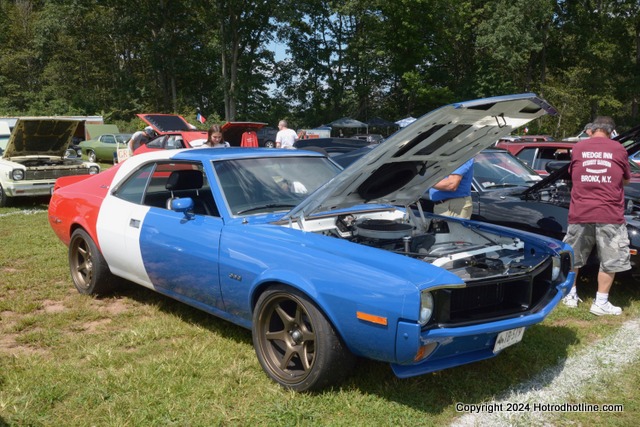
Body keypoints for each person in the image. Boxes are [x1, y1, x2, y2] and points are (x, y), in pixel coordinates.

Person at [562, 116, 631, 315]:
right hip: (609, 213)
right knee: (610, 259)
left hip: (580, 211)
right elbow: (626, 179)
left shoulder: (578, 148)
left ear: (591, 130)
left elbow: (573, 174)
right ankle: (600, 302)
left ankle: (570, 295)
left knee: (573, 256)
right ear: (611, 131)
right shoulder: (619, 149)